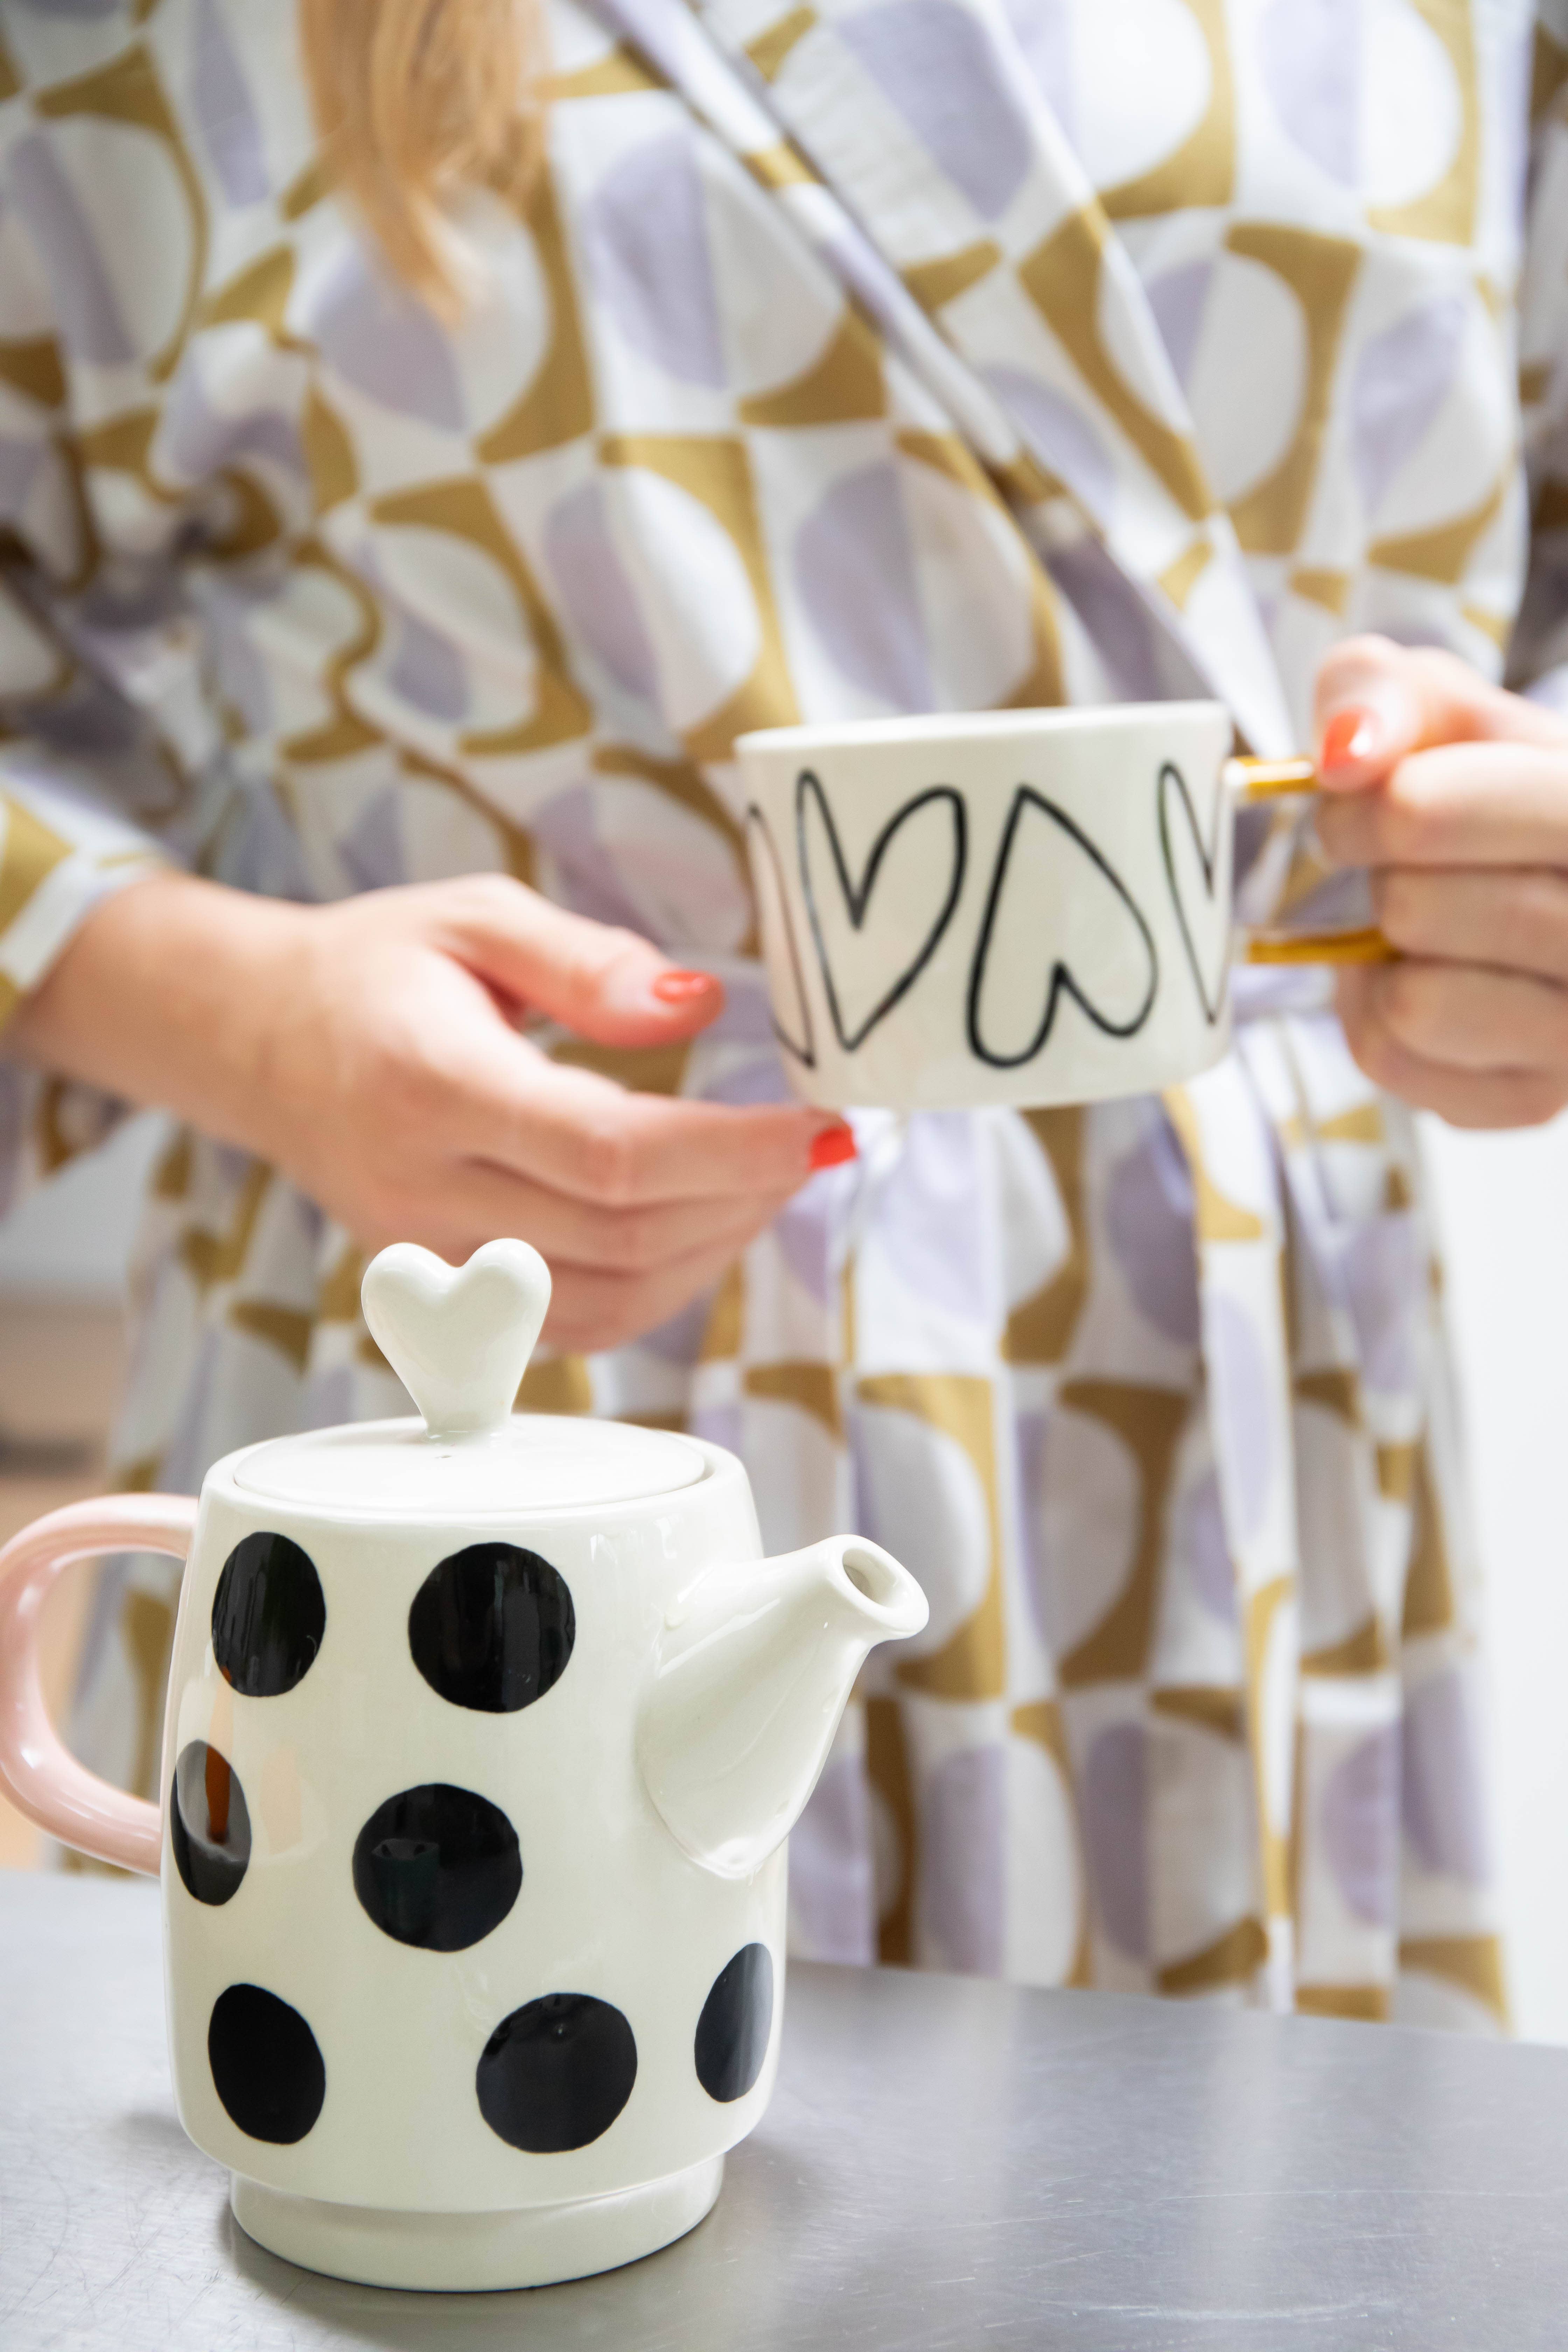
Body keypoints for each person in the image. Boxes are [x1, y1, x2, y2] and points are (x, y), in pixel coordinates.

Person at [1, 0, 1565, 2028]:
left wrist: (1506, 861)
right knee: (438, 2204)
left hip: (1229, 1405)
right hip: (492, 1347)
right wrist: (246, 1017)